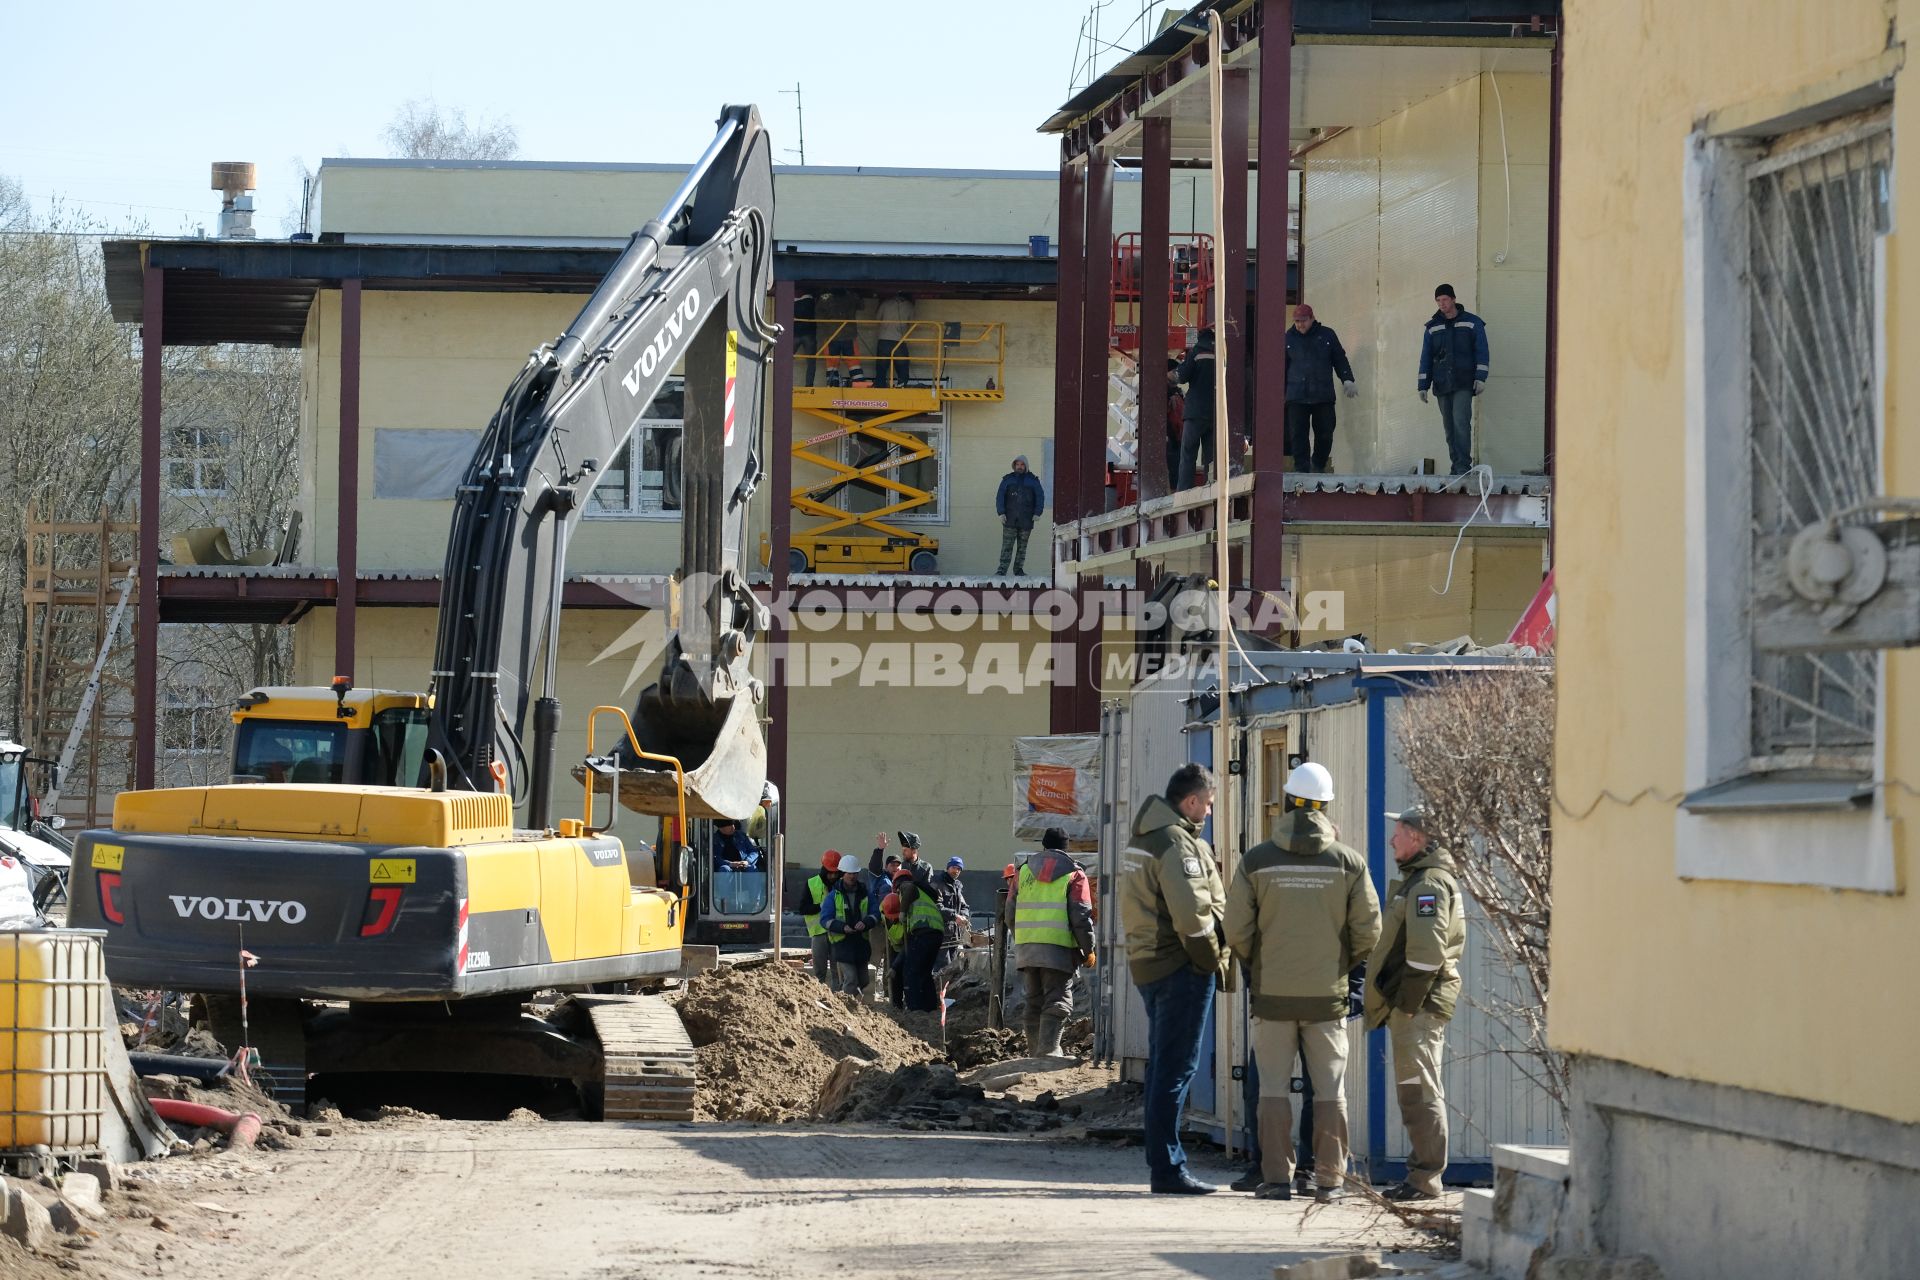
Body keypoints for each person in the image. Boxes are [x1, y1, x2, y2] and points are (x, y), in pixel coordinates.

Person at [1225, 762, 1381, 1203]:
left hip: (1272, 995)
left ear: (1289, 803)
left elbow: (1236, 929)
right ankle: (1327, 1181)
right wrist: (1340, 970)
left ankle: (1275, 1180)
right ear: (1326, 806)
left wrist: (1260, 966)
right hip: (1327, 998)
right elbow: (1368, 930)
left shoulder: (1256, 860)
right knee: (1329, 1091)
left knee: (1272, 1089)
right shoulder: (1348, 862)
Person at [1122, 762, 1230, 1195]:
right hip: (1180, 966)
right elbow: (1193, 917)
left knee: (1163, 1065)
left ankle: (1162, 1162)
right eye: (1207, 803)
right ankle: (1167, 1168)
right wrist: (1209, 961)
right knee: (1177, 1068)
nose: (1208, 810)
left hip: (1151, 963)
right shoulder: (1175, 844)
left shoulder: (1147, 835)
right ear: (1190, 801)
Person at [1364, 804, 1467, 1202]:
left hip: (1418, 1006)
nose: (1392, 838)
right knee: (1415, 1088)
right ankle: (1421, 1174)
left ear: (1419, 837)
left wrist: (1406, 1005)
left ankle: (1425, 1178)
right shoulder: (1420, 880)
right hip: (1413, 1004)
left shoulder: (1428, 885)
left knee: (1420, 1090)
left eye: (1400, 831)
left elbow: (1426, 954)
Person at [1009, 827, 1094, 1057]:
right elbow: (1081, 916)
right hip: (1058, 949)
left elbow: (1009, 913)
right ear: (1066, 848)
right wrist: (1088, 949)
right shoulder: (1075, 874)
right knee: (1057, 1000)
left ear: (1043, 845)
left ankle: (1036, 1052)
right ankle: (1048, 1051)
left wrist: (1024, 939)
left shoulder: (1023, 871)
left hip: (1027, 949)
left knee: (1033, 1000)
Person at [1416, 284, 1490, 475]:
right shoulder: (1432, 327)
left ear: (1454, 299)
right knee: (1449, 427)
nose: (1442, 304)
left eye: (1445, 299)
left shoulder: (1472, 322)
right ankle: (1455, 466)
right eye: (1438, 300)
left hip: (1463, 381)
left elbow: (1482, 351)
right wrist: (1423, 385)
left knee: (1460, 422)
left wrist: (1480, 377)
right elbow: (1426, 357)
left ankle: (1463, 467)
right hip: (1442, 383)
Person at [1284, 304, 1357, 475]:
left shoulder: (1327, 335)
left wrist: (1347, 379)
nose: (1300, 325)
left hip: (1322, 395)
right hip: (1297, 395)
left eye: (1303, 321)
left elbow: (1339, 358)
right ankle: (1301, 468)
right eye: (1296, 321)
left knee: (1325, 432)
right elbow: (1282, 366)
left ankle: (1318, 464)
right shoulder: (1288, 338)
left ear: (1312, 319)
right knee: (1297, 435)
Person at [821, 854, 880, 995]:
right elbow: (825, 920)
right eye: (849, 873)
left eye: (854, 873)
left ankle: (845, 997)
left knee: (864, 980)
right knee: (851, 979)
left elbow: (876, 914)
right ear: (842, 874)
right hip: (842, 944)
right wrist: (842, 927)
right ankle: (847, 1009)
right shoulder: (834, 896)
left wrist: (865, 923)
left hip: (861, 943)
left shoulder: (866, 894)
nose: (852, 876)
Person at [895, 864, 946, 1013]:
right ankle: (930, 1007)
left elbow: (908, 889)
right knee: (924, 971)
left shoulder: (906, 885)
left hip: (924, 930)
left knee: (911, 970)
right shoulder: (924, 893)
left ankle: (914, 1008)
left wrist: (902, 912)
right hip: (936, 932)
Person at [791, 851, 844, 985]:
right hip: (819, 933)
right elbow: (803, 908)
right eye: (830, 872)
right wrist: (821, 906)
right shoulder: (812, 883)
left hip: (837, 931)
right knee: (819, 971)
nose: (832, 876)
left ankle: (838, 998)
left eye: (835, 873)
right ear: (824, 869)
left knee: (837, 970)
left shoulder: (842, 884)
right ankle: (820, 997)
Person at [1175, 327, 1217, 490]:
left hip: (1195, 413)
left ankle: (1184, 491)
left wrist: (1170, 375)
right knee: (1210, 458)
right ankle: (1211, 489)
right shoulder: (1221, 353)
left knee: (1188, 454)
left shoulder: (1196, 351)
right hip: (1214, 413)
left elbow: (1182, 376)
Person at [994, 456, 1046, 577]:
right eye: (1017, 464)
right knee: (1006, 547)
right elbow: (1000, 496)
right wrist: (1001, 512)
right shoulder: (1007, 480)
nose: (1019, 467)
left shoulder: (1033, 480)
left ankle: (1018, 570)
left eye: (1022, 465)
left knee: (1022, 548)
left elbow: (1040, 496)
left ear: (1026, 466)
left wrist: (1038, 513)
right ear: (1014, 466)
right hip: (1009, 519)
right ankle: (1002, 570)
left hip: (1026, 520)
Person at [816, 290, 863, 387]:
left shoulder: (825, 298)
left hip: (831, 336)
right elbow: (862, 306)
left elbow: (817, 313)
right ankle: (860, 388)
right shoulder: (852, 297)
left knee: (832, 364)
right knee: (854, 364)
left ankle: (832, 387)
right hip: (849, 335)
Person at [876, 292, 915, 387]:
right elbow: (912, 323)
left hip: (884, 339)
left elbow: (877, 318)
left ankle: (880, 386)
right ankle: (901, 385)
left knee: (881, 367)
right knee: (902, 366)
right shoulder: (909, 306)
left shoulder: (885, 303)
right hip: (899, 341)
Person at [880, 892, 907, 1007]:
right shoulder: (883, 909)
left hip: (906, 949)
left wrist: (895, 965)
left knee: (906, 975)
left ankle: (909, 1003)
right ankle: (896, 1003)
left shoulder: (906, 919)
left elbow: (907, 944)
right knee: (894, 976)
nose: (892, 919)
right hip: (893, 948)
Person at [1163, 356, 1185, 493]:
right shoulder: (1165, 394)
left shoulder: (1177, 392)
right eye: (1174, 372)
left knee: (1177, 472)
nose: (1177, 375)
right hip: (1171, 440)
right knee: (1173, 474)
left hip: (1178, 438)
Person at [793, 291, 818, 387]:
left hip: (795, 334)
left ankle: (784, 380)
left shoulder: (792, 302)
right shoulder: (811, 301)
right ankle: (809, 385)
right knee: (811, 361)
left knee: (786, 359)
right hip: (809, 334)